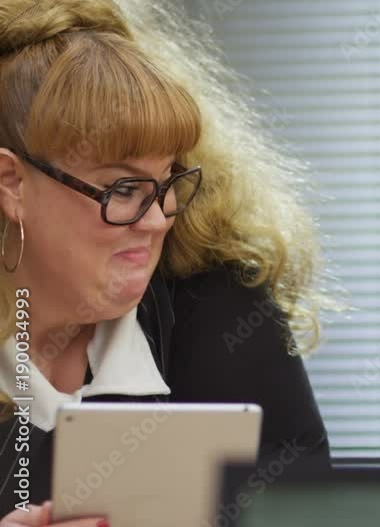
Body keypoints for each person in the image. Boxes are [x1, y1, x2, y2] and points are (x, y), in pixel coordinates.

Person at [0, 0, 334, 523]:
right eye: (124, 188)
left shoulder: (224, 316)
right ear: (12, 184)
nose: (157, 220)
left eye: (168, 181)